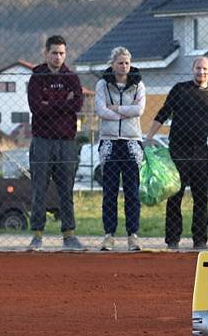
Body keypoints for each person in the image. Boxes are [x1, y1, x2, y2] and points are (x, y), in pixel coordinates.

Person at [145, 57, 208, 250]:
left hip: (200, 152)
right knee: (175, 195)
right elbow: (163, 112)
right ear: (193, 69)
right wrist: (149, 136)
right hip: (177, 150)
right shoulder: (180, 89)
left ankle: (200, 240)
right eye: (198, 68)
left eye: (205, 69)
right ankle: (172, 240)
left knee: (201, 196)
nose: (201, 72)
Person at [26, 35, 84, 251]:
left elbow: (77, 104)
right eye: (54, 53)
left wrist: (49, 101)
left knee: (66, 190)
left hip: (66, 142)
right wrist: (63, 102)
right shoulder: (37, 76)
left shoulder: (72, 77)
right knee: (39, 190)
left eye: (61, 53)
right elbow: (36, 107)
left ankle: (69, 235)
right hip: (42, 141)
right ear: (46, 53)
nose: (58, 57)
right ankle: (37, 236)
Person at [95, 47, 146, 251]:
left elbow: (139, 110)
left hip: (132, 141)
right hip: (109, 141)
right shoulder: (102, 84)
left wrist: (115, 109)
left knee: (132, 191)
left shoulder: (138, 85)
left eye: (127, 62)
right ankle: (109, 235)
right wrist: (124, 114)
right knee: (110, 191)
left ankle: (133, 234)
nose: (124, 66)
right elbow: (100, 109)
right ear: (112, 64)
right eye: (120, 62)